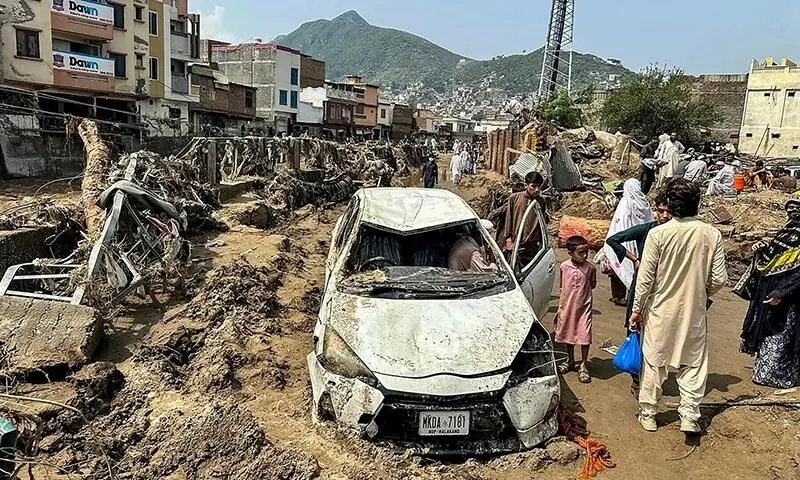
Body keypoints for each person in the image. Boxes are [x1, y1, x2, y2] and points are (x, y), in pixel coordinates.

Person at [629, 179, 728, 434]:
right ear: (697, 204)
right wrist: (702, 293)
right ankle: (689, 416)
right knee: (693, 364)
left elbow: (645, 278)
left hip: (660, 309)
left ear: (671, 206)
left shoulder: (658, 234)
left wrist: (637, 309)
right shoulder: (711, 234)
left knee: (654, 361)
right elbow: (719, 279)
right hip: (694, 311)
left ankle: (649, 415)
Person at [605, 191, 672, 396]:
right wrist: (634, 258)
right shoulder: (648, 229)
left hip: (663, 287)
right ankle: (636, 377)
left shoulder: (675, 234)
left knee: (658, 330)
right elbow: (614, 239)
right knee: (634, 327)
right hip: (641, 285)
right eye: (661, 211)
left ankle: (652, 374)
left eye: (669, 212)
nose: (664, 215)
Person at [740, 199, 800, 389]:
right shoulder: (787, 230)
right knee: (770, 330)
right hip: (773, 293)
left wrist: (783, 292)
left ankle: (783, 377)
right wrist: (763, 250)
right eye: (790, 208)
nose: (792, 212)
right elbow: (774, 259)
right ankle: (767, 372)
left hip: (792, 298)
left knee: (785, 335)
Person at [602, 179, 654, 305]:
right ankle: (625, 295)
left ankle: (619, 296)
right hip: (641, 240)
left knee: (618, 266)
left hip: (623, 239)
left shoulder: (625, 202)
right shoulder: (644, 203)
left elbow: (620, 222)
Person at [555, 235, 597, 384]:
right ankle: (570, 359)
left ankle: (583, 364)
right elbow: (562, 286)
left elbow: (592, 285)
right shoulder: (564, 267)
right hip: (567, 307)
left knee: (585, 336)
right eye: (580, 253)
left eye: (586, 252)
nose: (585, 256)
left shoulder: (590, 268)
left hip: (584, 308)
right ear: (570, 253)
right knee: (569, 333)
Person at [503, 172, 549, 265]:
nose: (537, 190)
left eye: (539, 187)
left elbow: (541, 223)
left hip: (532, 247)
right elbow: (509, 219)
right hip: (516, 245)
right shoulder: (514, 198)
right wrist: (508, 239)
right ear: (526, 185)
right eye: (533, 186)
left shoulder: (540, 202)